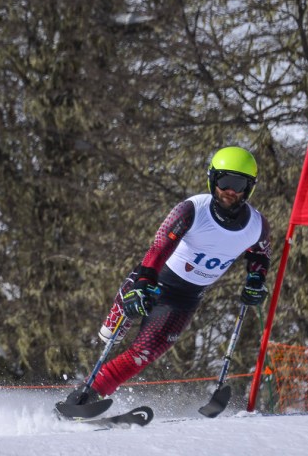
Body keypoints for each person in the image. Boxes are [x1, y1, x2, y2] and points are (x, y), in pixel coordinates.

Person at [63, 146, 273, 406]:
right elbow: (159, 248)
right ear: (212, 180)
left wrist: (256, 281)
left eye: (238, 184)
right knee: (109, 335)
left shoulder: (257, 225)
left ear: (249, 188)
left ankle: (86, 397)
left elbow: (260, 255)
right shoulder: (192, 210)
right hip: (153, 281)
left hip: (184, 299)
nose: (230, 190)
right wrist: (142, 283)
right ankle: (82, 377)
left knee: (144, 353)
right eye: (224, 181)